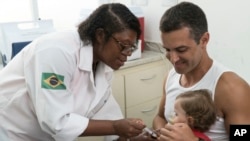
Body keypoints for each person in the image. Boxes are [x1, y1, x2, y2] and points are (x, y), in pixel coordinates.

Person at [0, 3, 146, 141]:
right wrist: (116, 128)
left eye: (131, 48)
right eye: (124, 45)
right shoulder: (57, 51)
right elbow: (57, 122)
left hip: (42, 134)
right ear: (100, 35)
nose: (127, 53)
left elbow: (106, 111)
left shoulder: (102, 65)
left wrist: (129, 135)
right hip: (11, 132)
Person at [152, 1, 250, 141]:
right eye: (167, 49)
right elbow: (160, 117)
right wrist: (163, 134)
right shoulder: (170, 77)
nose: (173, 59)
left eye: (181, 50)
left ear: (204, 40)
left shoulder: (233, 89)